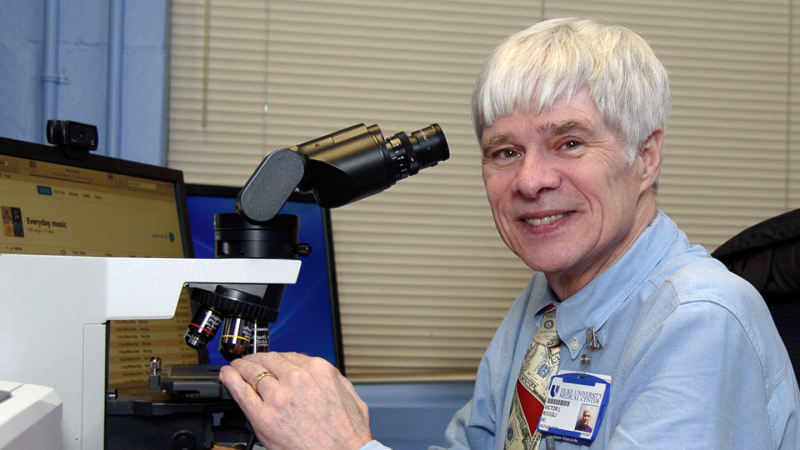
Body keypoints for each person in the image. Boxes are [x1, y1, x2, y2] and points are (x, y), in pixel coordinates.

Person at [219, 17, 800, 450]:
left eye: (569, 142)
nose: (530, 181)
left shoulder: (701, 321)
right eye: (505, 151)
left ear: (645, 157)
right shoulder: (545, 307)